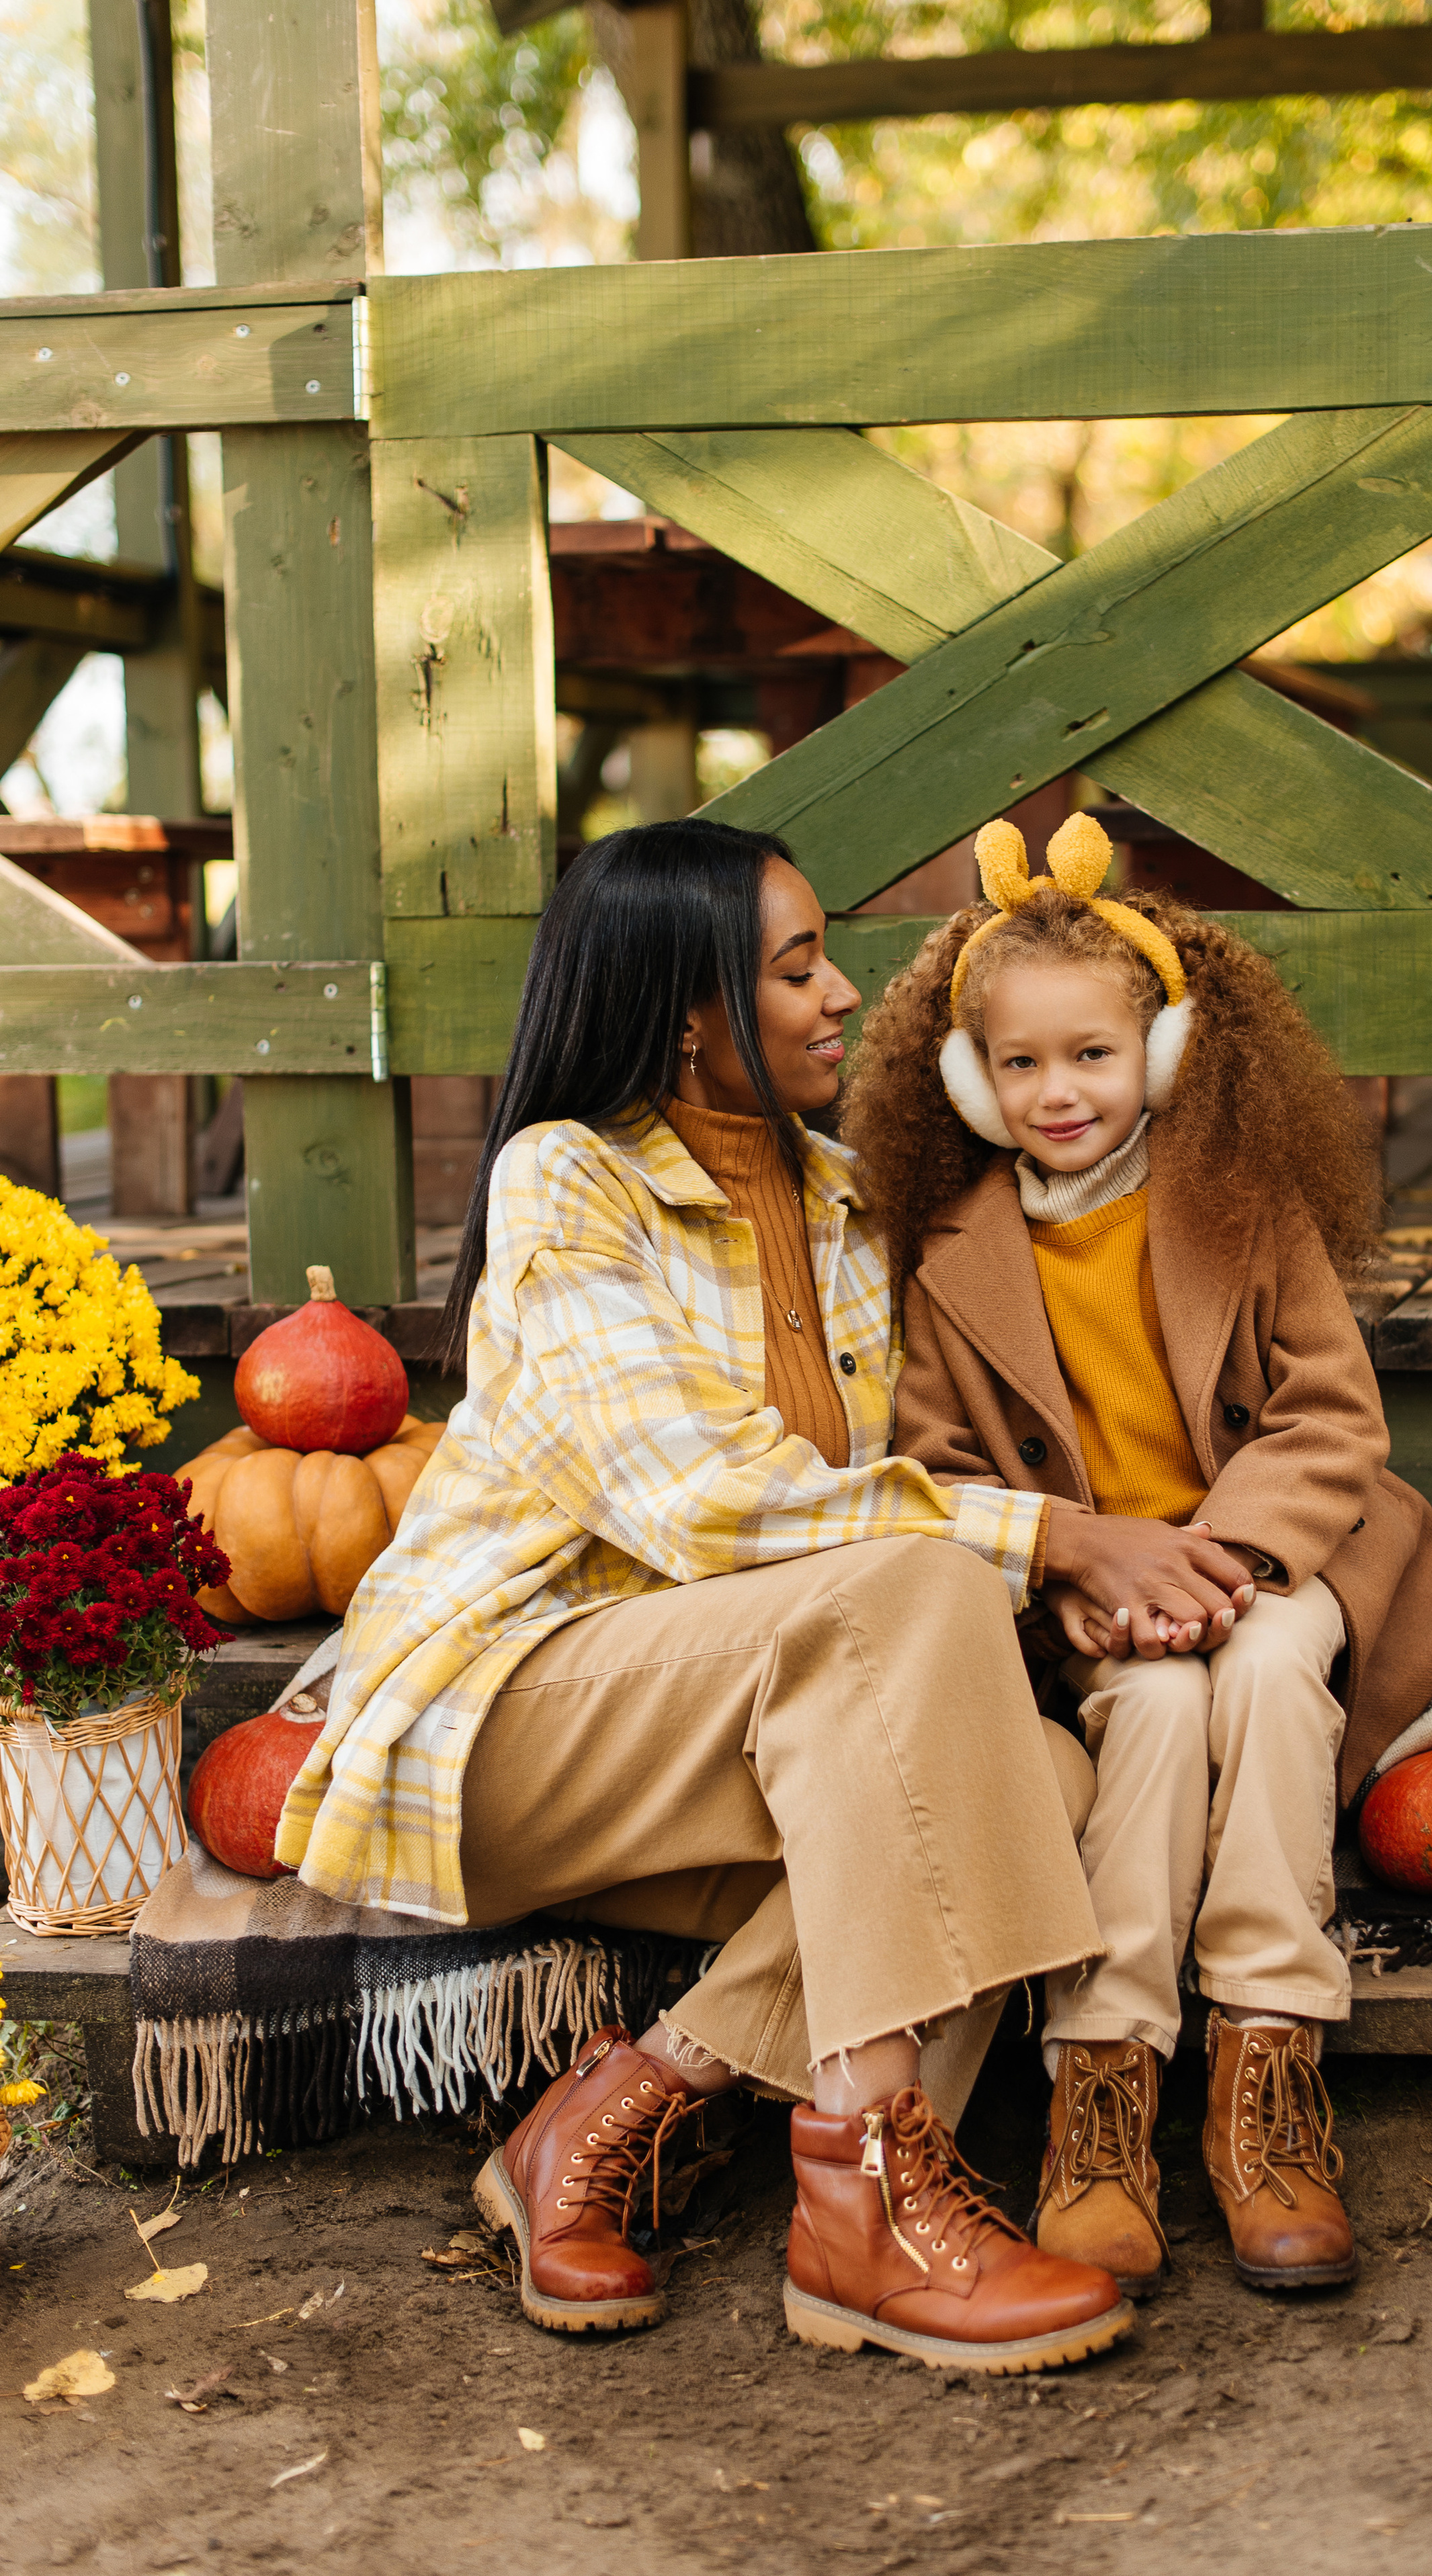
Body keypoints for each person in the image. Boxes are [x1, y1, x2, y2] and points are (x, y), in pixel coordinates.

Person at [274, 819, 1134, 2376]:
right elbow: (702, 1503)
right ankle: (868, 2192)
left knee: (1047, 1773)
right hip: (511, 1717)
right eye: (797, 967)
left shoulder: (849, 1200)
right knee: (917, 1590)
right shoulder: (568, 1183)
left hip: (745, 1716)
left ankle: (615, 2112)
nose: (841, 994)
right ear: (685, 1011)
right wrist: (1057, 1542)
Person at [841, 811, 1432, 2298]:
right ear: (965, 1078)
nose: (1055, 1090)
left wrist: (1228, 1565)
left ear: (1169, 1055)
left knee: (1255, 1671)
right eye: (1017, 1062)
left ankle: (1264, 2060)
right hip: (1087, 1603)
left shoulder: (1241, 1208)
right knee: (1156, 1706)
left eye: (1090, 1054)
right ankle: (1104, 2079)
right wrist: (1076, 1573)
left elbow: (1330, 1420)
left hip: (1271, 1564)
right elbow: (934, 1470)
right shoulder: (947, 1251)